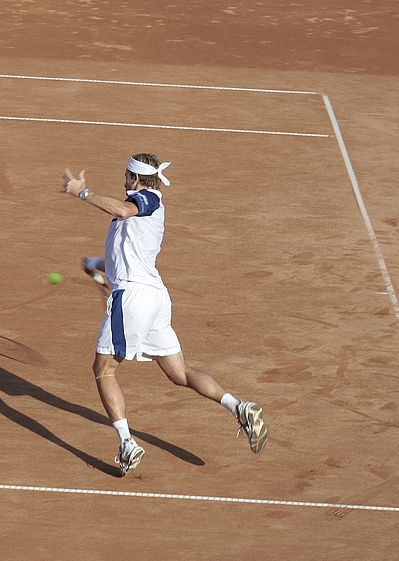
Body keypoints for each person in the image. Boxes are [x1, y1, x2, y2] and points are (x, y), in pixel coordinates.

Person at [61, 153, 268, 476]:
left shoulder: (145, 199)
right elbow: (128, 253)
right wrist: (98, 264)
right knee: (179, 373)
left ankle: (127, 442)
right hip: (153, 296)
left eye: (126, 176)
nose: (123, 181)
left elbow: (122, 208)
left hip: (134, 297)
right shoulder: (144, 205)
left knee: (104, 370)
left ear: (137, 179)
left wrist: (82, 193)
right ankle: (238, 407)